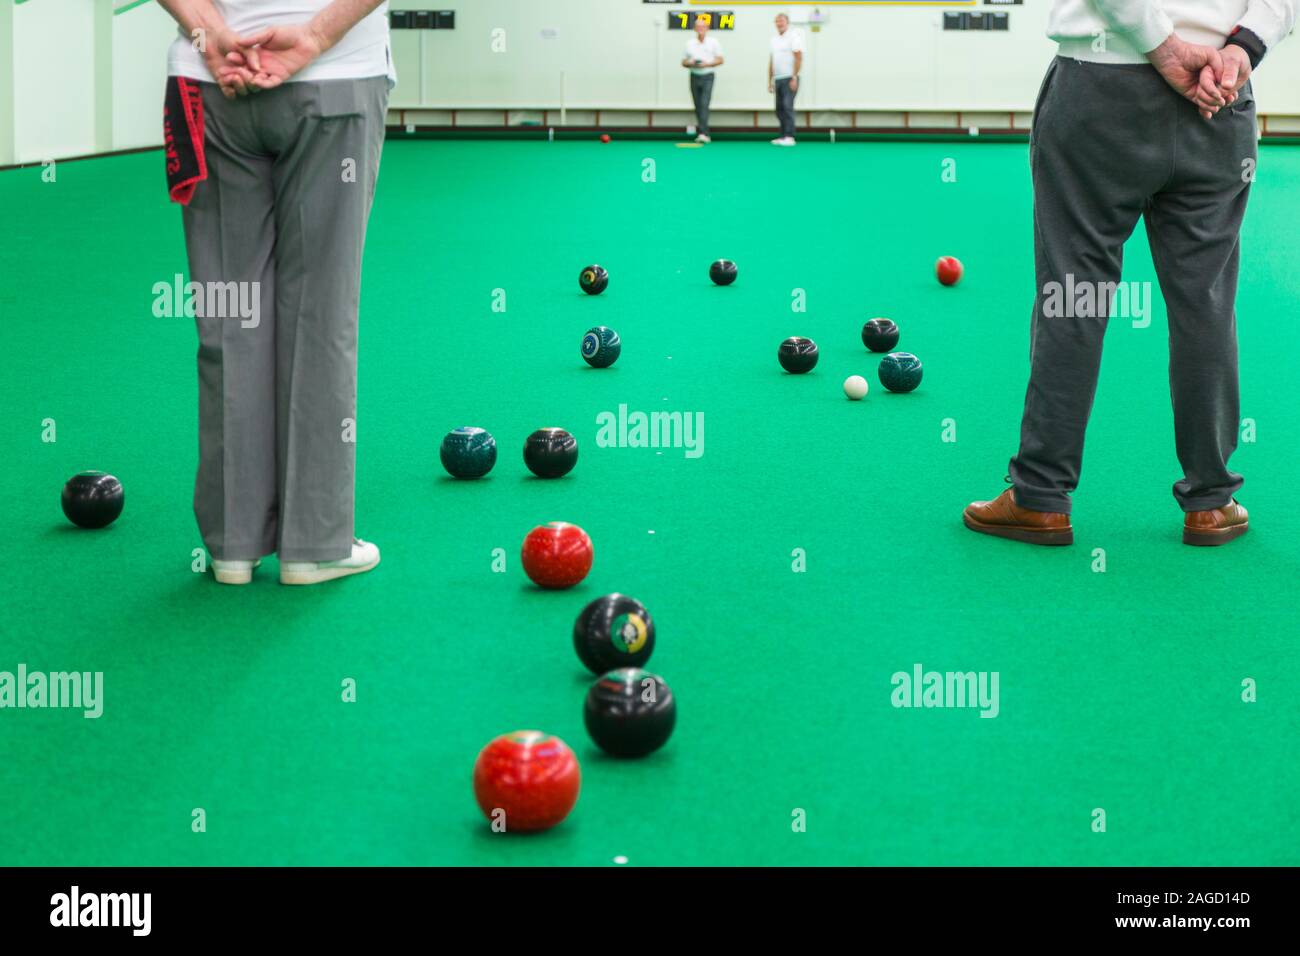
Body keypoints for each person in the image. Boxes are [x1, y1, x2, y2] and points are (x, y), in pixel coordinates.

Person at [964, 0, 1296, 548]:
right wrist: (1241, 49)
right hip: (1220, 99)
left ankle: (1040, 498)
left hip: (1100, 91)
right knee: (1205, 303)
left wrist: (1163, 47)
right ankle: (1211, 501)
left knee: (1075, 296)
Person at [158, 0, 395, 584]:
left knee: (227, 314)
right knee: (321, 313)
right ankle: (313, 544)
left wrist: (211, 34)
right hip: (335, 83)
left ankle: (232, 544)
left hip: (208, 82)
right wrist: (314, 37)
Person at [682, 16, 724, 144]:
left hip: (708, 76)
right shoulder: (689, 43)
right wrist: (691, 62)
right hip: (694, 75)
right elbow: (683, 62)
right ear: (695, 28)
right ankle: (702, 131)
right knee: (697, 105)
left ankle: (704, 133)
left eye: (703, 26)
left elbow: (720, 59)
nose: (700, 29)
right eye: (698, 26)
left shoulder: (714, 42)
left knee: (704, 104)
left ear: (707, 28)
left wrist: (708, 64)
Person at [767, 12, 803, 146]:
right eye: (777, 21)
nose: (779, 23)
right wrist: (770, 80)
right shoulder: (774, 40)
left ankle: (790, 136)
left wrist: (794, 77)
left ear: (787, 23)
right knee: (779, 108)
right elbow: (772, 61)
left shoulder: (794, 37)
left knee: (788, 107)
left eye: (781, 21)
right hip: (778, 78)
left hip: (790, 78)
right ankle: (782, 135)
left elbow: (799, 58)